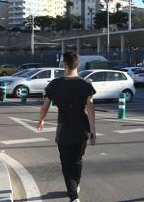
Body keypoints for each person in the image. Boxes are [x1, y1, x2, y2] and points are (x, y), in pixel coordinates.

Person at [37, 52, 96, 202]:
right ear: (78, 65)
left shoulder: (55, 84)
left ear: (64, 64)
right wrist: (93, 131)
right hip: (82, 130)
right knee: (77, 160)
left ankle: (73, 196)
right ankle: (75, 186)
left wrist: (41, 120)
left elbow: (44, 107)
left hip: (64, 130)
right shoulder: (85, 84)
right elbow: (90, 108)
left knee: (66, 164)